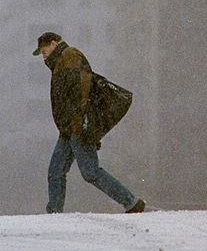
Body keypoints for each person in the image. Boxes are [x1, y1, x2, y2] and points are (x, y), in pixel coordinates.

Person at [33, 31, 145, 214]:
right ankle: (54, 212)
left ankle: (131, 202)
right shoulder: (61, 61)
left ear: (53, 43)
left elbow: (82, 91)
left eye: (43, 50)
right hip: (69, 128)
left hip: (77, 127)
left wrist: (84, 124)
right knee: (56, 171)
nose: (42, 55)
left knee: (90, 172)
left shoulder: (69, 56)